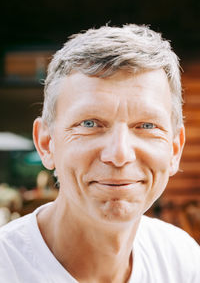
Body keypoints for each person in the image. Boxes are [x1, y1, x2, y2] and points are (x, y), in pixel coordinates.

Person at [0, 24, 199, 283]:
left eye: (147, 126)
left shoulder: (183, 262)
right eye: (90, 124)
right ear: (46, 143)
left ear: (174, 149)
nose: (119, 154)